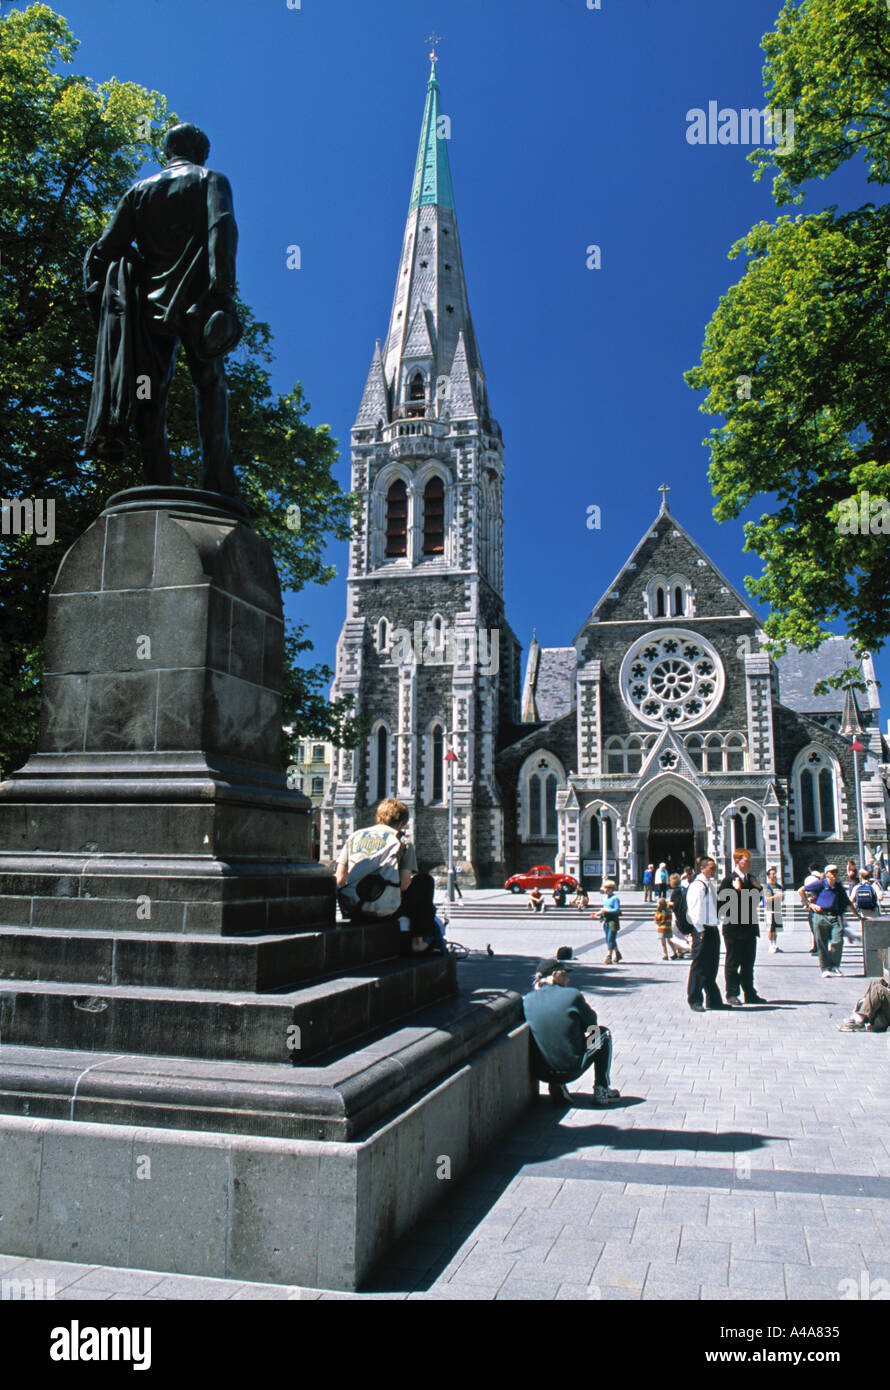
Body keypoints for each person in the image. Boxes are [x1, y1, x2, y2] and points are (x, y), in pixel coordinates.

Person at [84, 123, 241, 492]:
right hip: (199, 304)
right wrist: (222, 293)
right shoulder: (210, 179)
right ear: (200, 151)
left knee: (148, 391)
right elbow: (223, 231)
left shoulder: (138, 192)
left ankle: (158, 479)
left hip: (149, 309)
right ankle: (218, 479)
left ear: (167, 153)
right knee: (210, 383)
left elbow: (106, 249)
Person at [335, 798, 432, 954]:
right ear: (401, 823)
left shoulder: (354, 836)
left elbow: (339, 879)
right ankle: (418, 941)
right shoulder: (402, 841)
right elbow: (405, 884)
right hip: (385, 910)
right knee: (425, 881)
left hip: (354, 908)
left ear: (378, 817)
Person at [522, 957, 620, 1106]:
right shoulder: (572, 995)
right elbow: (592, 1024)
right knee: (602, 1034)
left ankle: (557, 1084)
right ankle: (602, 1089)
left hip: (541, 1070)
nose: (568, 979)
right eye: (565, 974)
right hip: (570, 1068)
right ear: (554, 975)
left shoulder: (527, 999)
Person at [719, 848, 766, 1005]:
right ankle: (731, 993)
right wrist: (737, 891)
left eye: (751, 861)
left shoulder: (751, 879)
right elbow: (722, 905)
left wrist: (758, 889)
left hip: (749, 927)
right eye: (747, 861)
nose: (750, 864)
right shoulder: (729, 880)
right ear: (737, 862)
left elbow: (755, 902)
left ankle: (750, 992)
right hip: (734, 929)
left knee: (748, 963)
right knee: (733, 962)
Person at [809, 863, 865, 977]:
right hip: (821, 916)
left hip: (836, 916)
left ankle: (834, 966)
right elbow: (802, 890)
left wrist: (858, 916)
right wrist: (810, 905)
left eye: (836, 871)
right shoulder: (820, 884)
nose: (835, 874)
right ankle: (825, 968)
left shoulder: (839, 887)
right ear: (826, 874)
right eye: (832, 872)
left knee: (837, 941)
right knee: (822, 943)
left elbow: (848, 903)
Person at [685, 857, 726, 1012]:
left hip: (712, 928)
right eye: (711, 868)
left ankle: (713, 1000)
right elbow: (694, 910)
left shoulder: (709, 884)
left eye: (714, 868)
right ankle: (694, 999)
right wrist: (700, 930)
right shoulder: (698, 885)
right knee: (700, 965)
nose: (713, 870)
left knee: (712, 965)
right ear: (702, 868)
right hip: (703, 930)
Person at [798, 863, 824, 955]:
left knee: (814, 926)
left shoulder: (809, 879)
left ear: (810, 869)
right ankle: (820, 946)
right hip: (824, 904)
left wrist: (806, 902)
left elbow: (805, 891)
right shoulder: (823, 878)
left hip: (813, 905)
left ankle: (817, 947)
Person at [594, 878, 622, 964]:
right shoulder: (604, 898)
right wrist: (598, 913)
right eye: (604, 888)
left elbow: (617, 910)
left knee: (611, 938)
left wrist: (607, 911)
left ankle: (609, 956)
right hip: (606, 920)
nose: (605, 890)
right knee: (609, 938)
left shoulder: (615, 898)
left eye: (607, 888)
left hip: (613, 921)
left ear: (611, 889)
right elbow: (604, 909)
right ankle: (617, 953)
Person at [666, 873, 691, 958]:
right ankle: (679, 951)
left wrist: (669, 904)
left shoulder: (676, 892)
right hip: (680, 915)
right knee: (678, 934)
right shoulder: (680, 890)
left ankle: (686, 948)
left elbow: (675, 903)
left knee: (673, 935)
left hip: (676, 915)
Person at [761, 866, 785, 953]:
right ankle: (771, 945)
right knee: (770, 928)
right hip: (769, 910)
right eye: (773, 874)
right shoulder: (766, 887)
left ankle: (775, 944)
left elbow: (781, 898)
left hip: (777, 909)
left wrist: (782, 897)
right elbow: (767, 899)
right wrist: (777, 896)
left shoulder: (779, 886)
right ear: (769, 876)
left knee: (776, 928)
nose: (775, 876)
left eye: (775, 874)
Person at [654, 895, 673, 960]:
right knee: (669, 941)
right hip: (668, 927)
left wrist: (657, 919)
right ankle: (675, 952)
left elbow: (657, 920)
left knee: (663, 943)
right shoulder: (669, 910)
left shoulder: (660, 912)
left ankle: (665, 954)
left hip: (662, 928)